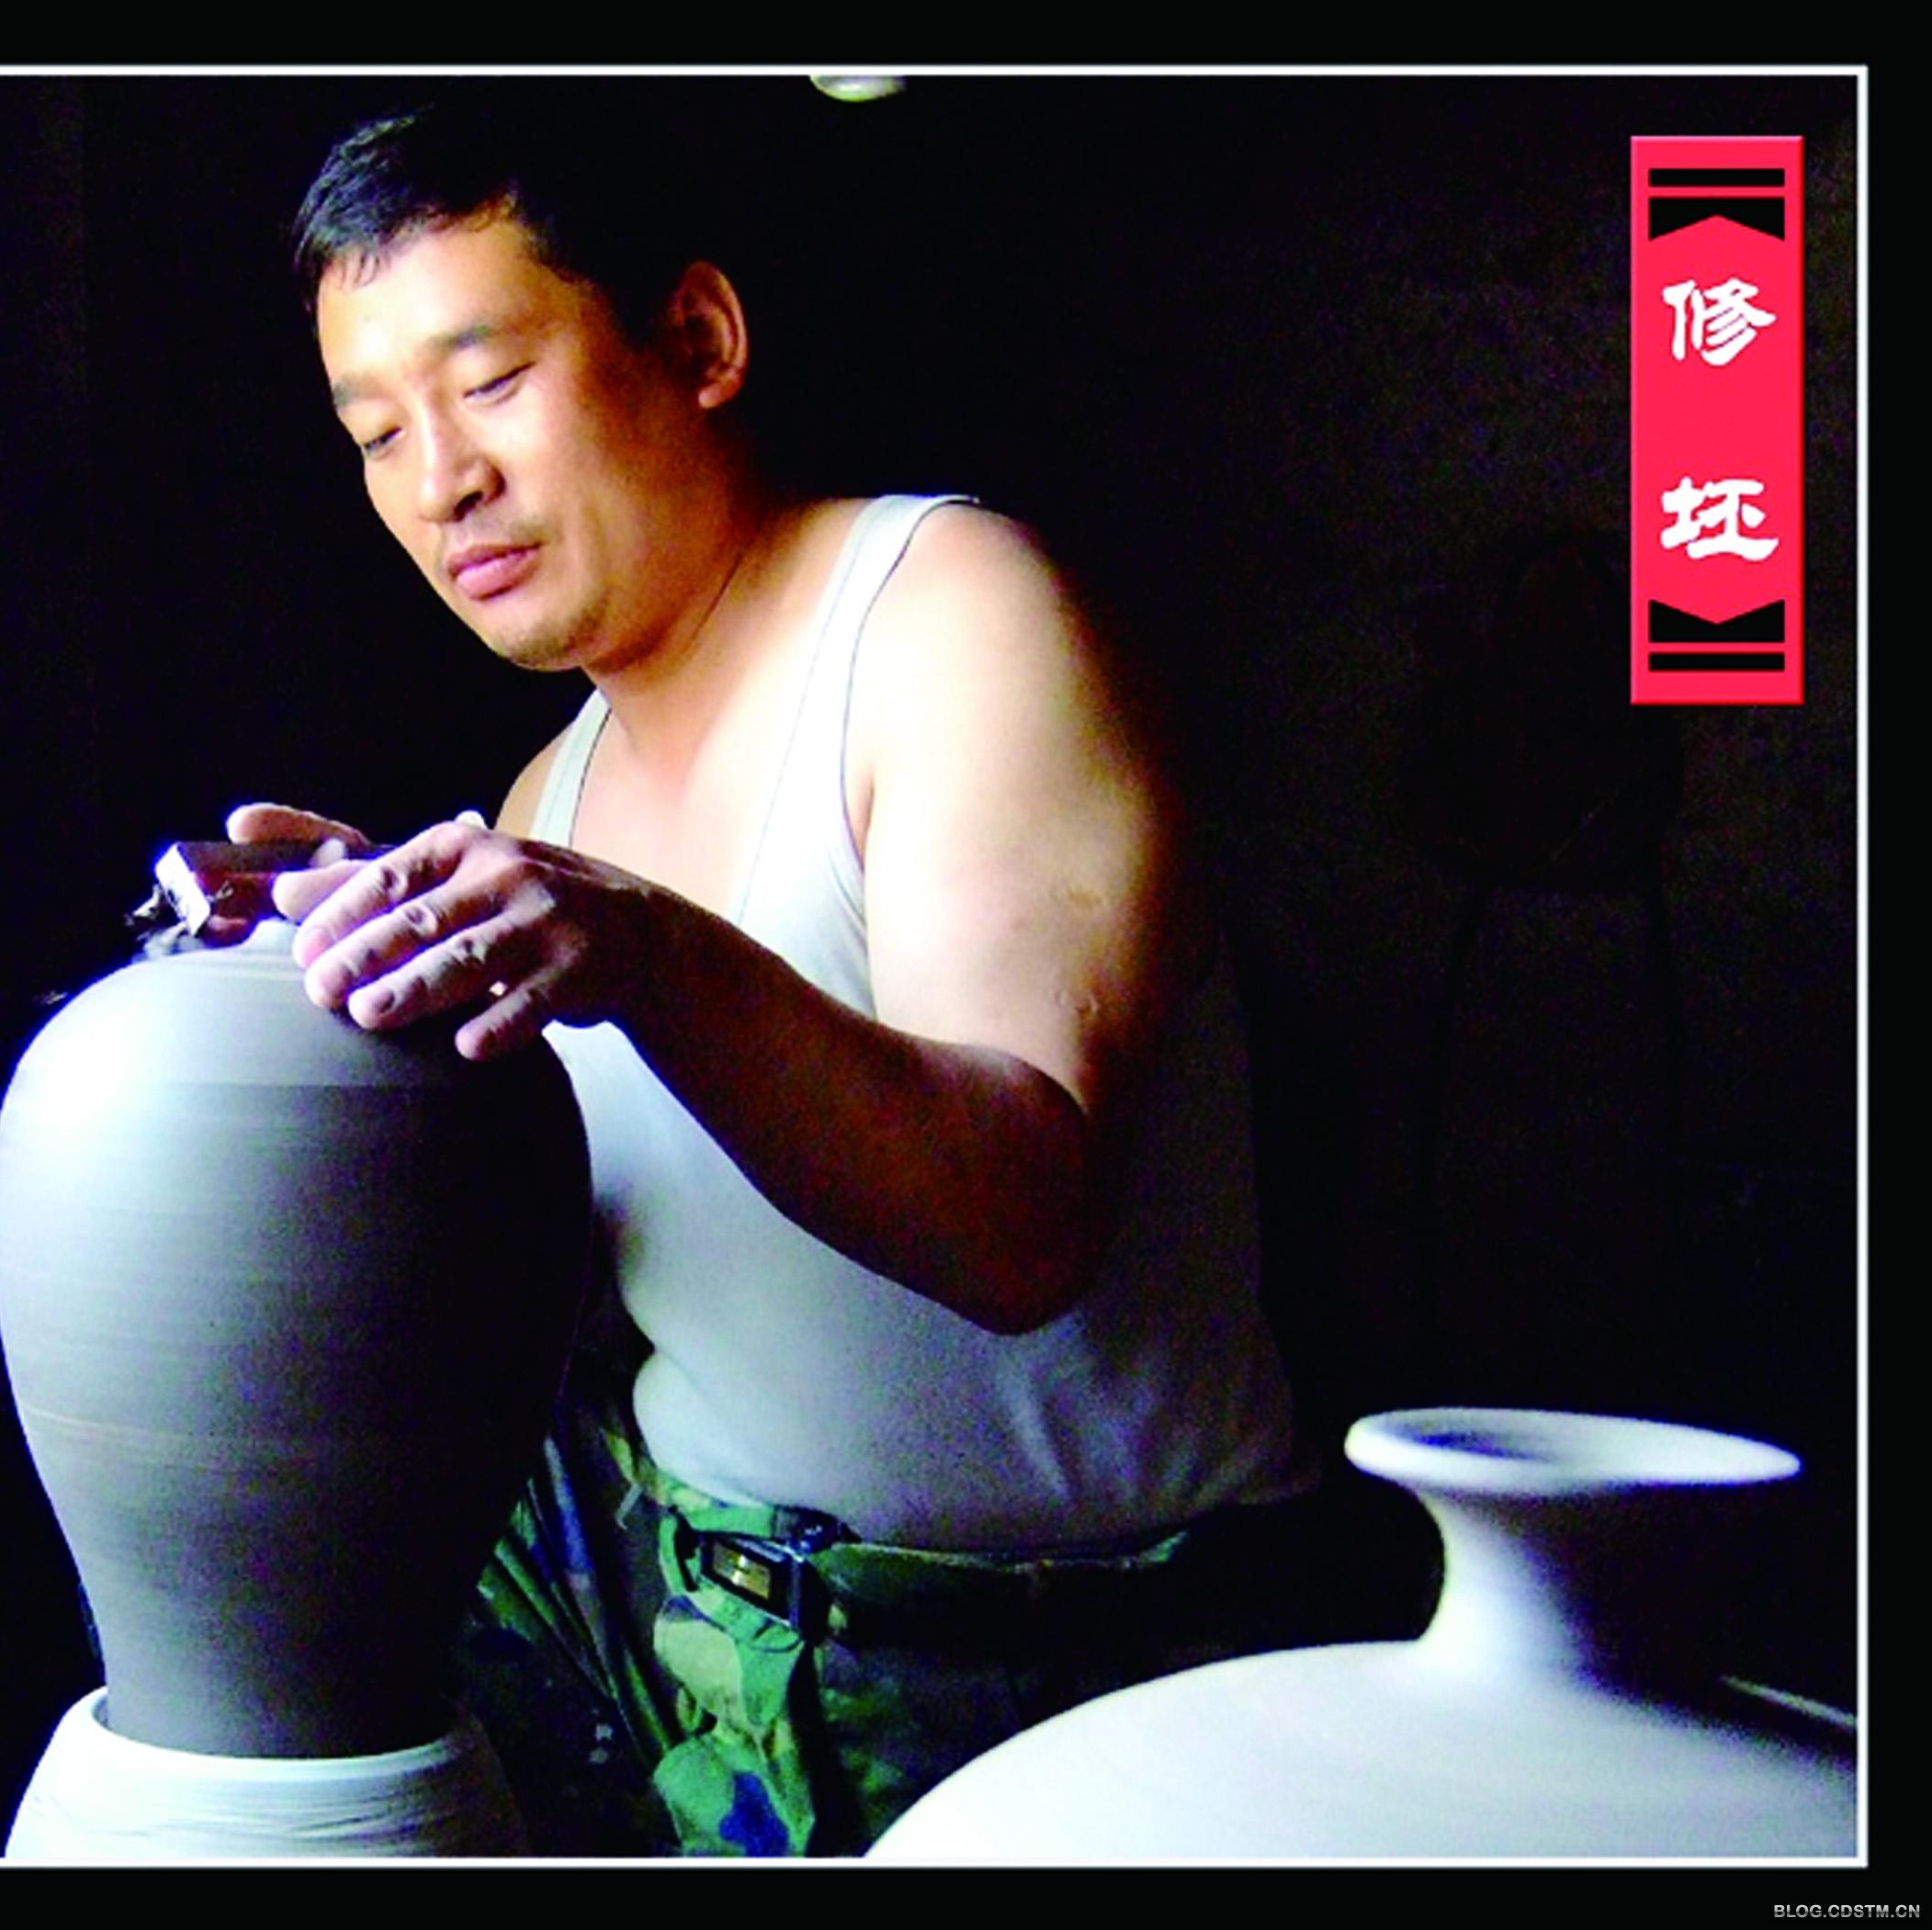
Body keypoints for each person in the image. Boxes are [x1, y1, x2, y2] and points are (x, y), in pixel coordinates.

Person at [230, 87, 1307, 1856]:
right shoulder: (550, 794)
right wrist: (355, 993)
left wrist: (638, 946)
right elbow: (607, 1287)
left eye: (489, 382)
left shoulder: (946, 616)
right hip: (705, 1613)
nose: (442, 482)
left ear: (699, 340)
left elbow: (1021, 1221)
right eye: (378, 431)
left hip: (1065, 1652)